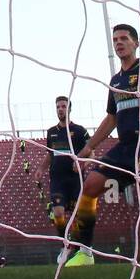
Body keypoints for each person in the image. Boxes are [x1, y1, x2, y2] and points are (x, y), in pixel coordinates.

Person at [60, 24, 140, 267]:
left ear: (136, 43)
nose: (119, 42)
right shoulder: (116, 80)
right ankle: (85, 253)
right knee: (91, 186)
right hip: (125, 146)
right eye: (115, 39)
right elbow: (112, 118)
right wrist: (87, 148)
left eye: (124, 38)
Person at [45, 95, 89, 244]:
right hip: (57, 179)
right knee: (58, 212)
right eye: (58, 107)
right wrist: (40, 168)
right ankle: (65, 241)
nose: (60, 109)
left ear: (69, 109)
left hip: (75, 179)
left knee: (78, 215)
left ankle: (77, 244)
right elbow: (50, 154)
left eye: (63, 106)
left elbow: (91, 152)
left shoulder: (80, 131)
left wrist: (82, 164)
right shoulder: (51, 132)